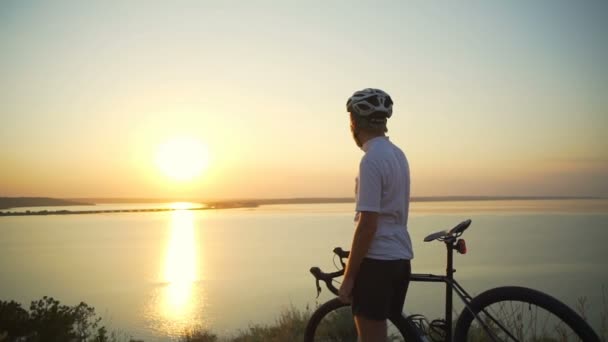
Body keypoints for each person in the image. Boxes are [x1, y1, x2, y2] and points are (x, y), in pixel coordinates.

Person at [339, 88, 413, 342]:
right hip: (400, 260)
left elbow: (368, 225)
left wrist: (349, 278)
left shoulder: (371, 161)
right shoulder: (398, 155)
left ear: (354, 122)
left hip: (377, 263)